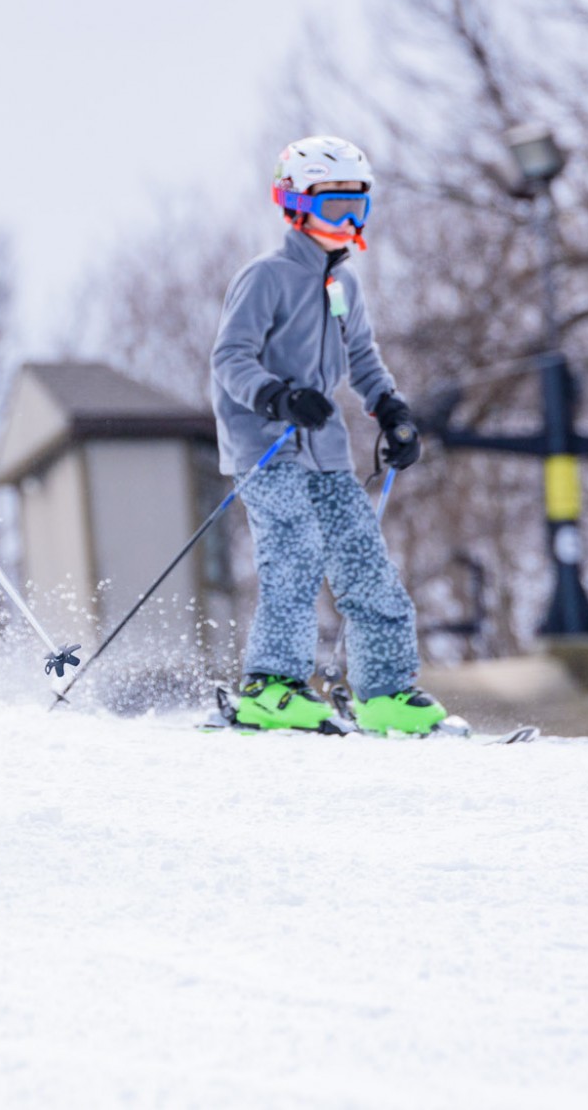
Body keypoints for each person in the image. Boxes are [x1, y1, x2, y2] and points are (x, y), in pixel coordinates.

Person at [210, 135, 444, 734]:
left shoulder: (344, 286)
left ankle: (385, 692)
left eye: (356, 206)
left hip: (327, 451)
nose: (346, 220)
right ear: (293, 205)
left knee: (364, 561)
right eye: (332, 206)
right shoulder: (266, 277)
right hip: (266, 447)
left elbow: (362, 359)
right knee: (294, 552)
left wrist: (392, 411)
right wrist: (278, 396)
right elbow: (231, 358)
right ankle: (272, 684)